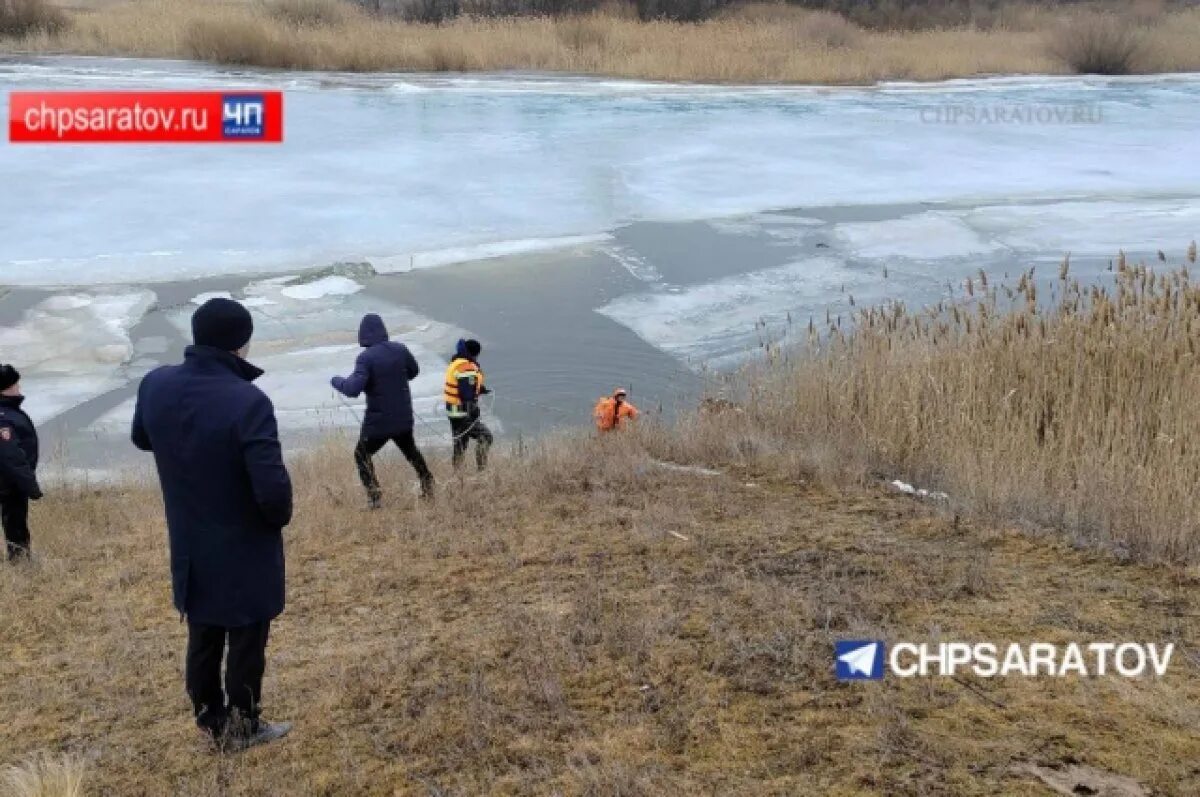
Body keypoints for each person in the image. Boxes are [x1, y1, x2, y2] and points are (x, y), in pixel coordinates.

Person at [131, 298, 293, 751]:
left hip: (187, 534)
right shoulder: (248, 400)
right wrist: (277, 517)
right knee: (246, 630)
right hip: (243, 538)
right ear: (243, 343)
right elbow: (272, 492)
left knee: (203, 627)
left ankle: (208, 716)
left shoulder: (155, 383)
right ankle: (243, 724)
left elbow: (142, 437)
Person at [331, 313, 434, 507]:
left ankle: (375, 497)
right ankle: (428, 484)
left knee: (361, 455)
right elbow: (414, 371)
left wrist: (336, 380)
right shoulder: (400, 349)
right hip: (403, 417)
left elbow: (352, 389)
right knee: (410, 451)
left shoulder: (365, 358)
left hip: (379, 422)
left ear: (363, 335)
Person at [0, 364, 41, 563]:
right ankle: (20, 565)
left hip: (12, 481)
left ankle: (21, 561)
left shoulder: (8, 411)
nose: (19, 388)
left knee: (16, 522)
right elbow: (11, 455)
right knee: (15, 524)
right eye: (15, 384)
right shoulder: (4, 417)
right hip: (10, 482)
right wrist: (29, 484)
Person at [443, 339, 493, 471]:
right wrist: (473, 411)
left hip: (453, 412)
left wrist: (479, 389)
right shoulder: (466, 367)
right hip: (462, 413)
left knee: (460, 445)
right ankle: (482, 471)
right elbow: (466, 394)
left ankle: (457, 476)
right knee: (486, 437)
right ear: (475, 354)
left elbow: (464, 385)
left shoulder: (456, 362)